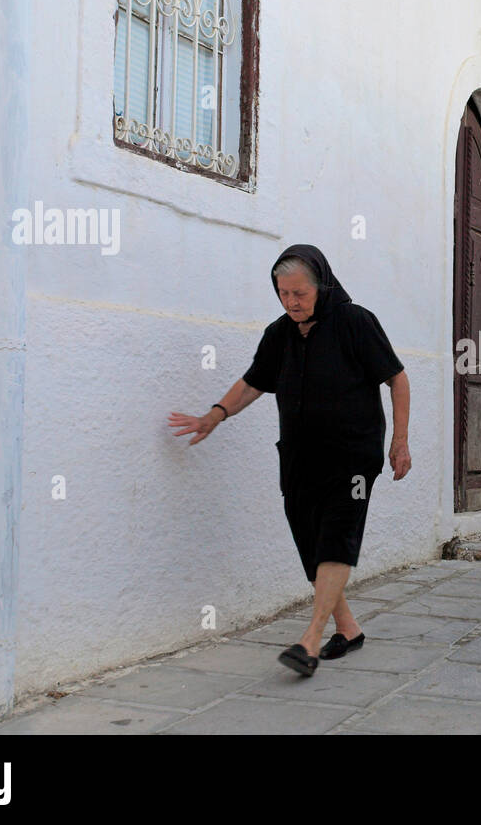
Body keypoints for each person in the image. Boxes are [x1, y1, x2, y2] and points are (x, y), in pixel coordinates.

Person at [167, 243, 411, 677]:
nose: (291, 302)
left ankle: (310, 640)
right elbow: (253, 382)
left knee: (336, 536)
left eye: (300, 293)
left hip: (353, 456)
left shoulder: (356, 322)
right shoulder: (279, 334)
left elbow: (396, 378)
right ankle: (348, 629)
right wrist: (215, 415)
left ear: (321, 286)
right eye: (283, 293)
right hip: (298, 456)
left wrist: (400, 440)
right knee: (311, 546)